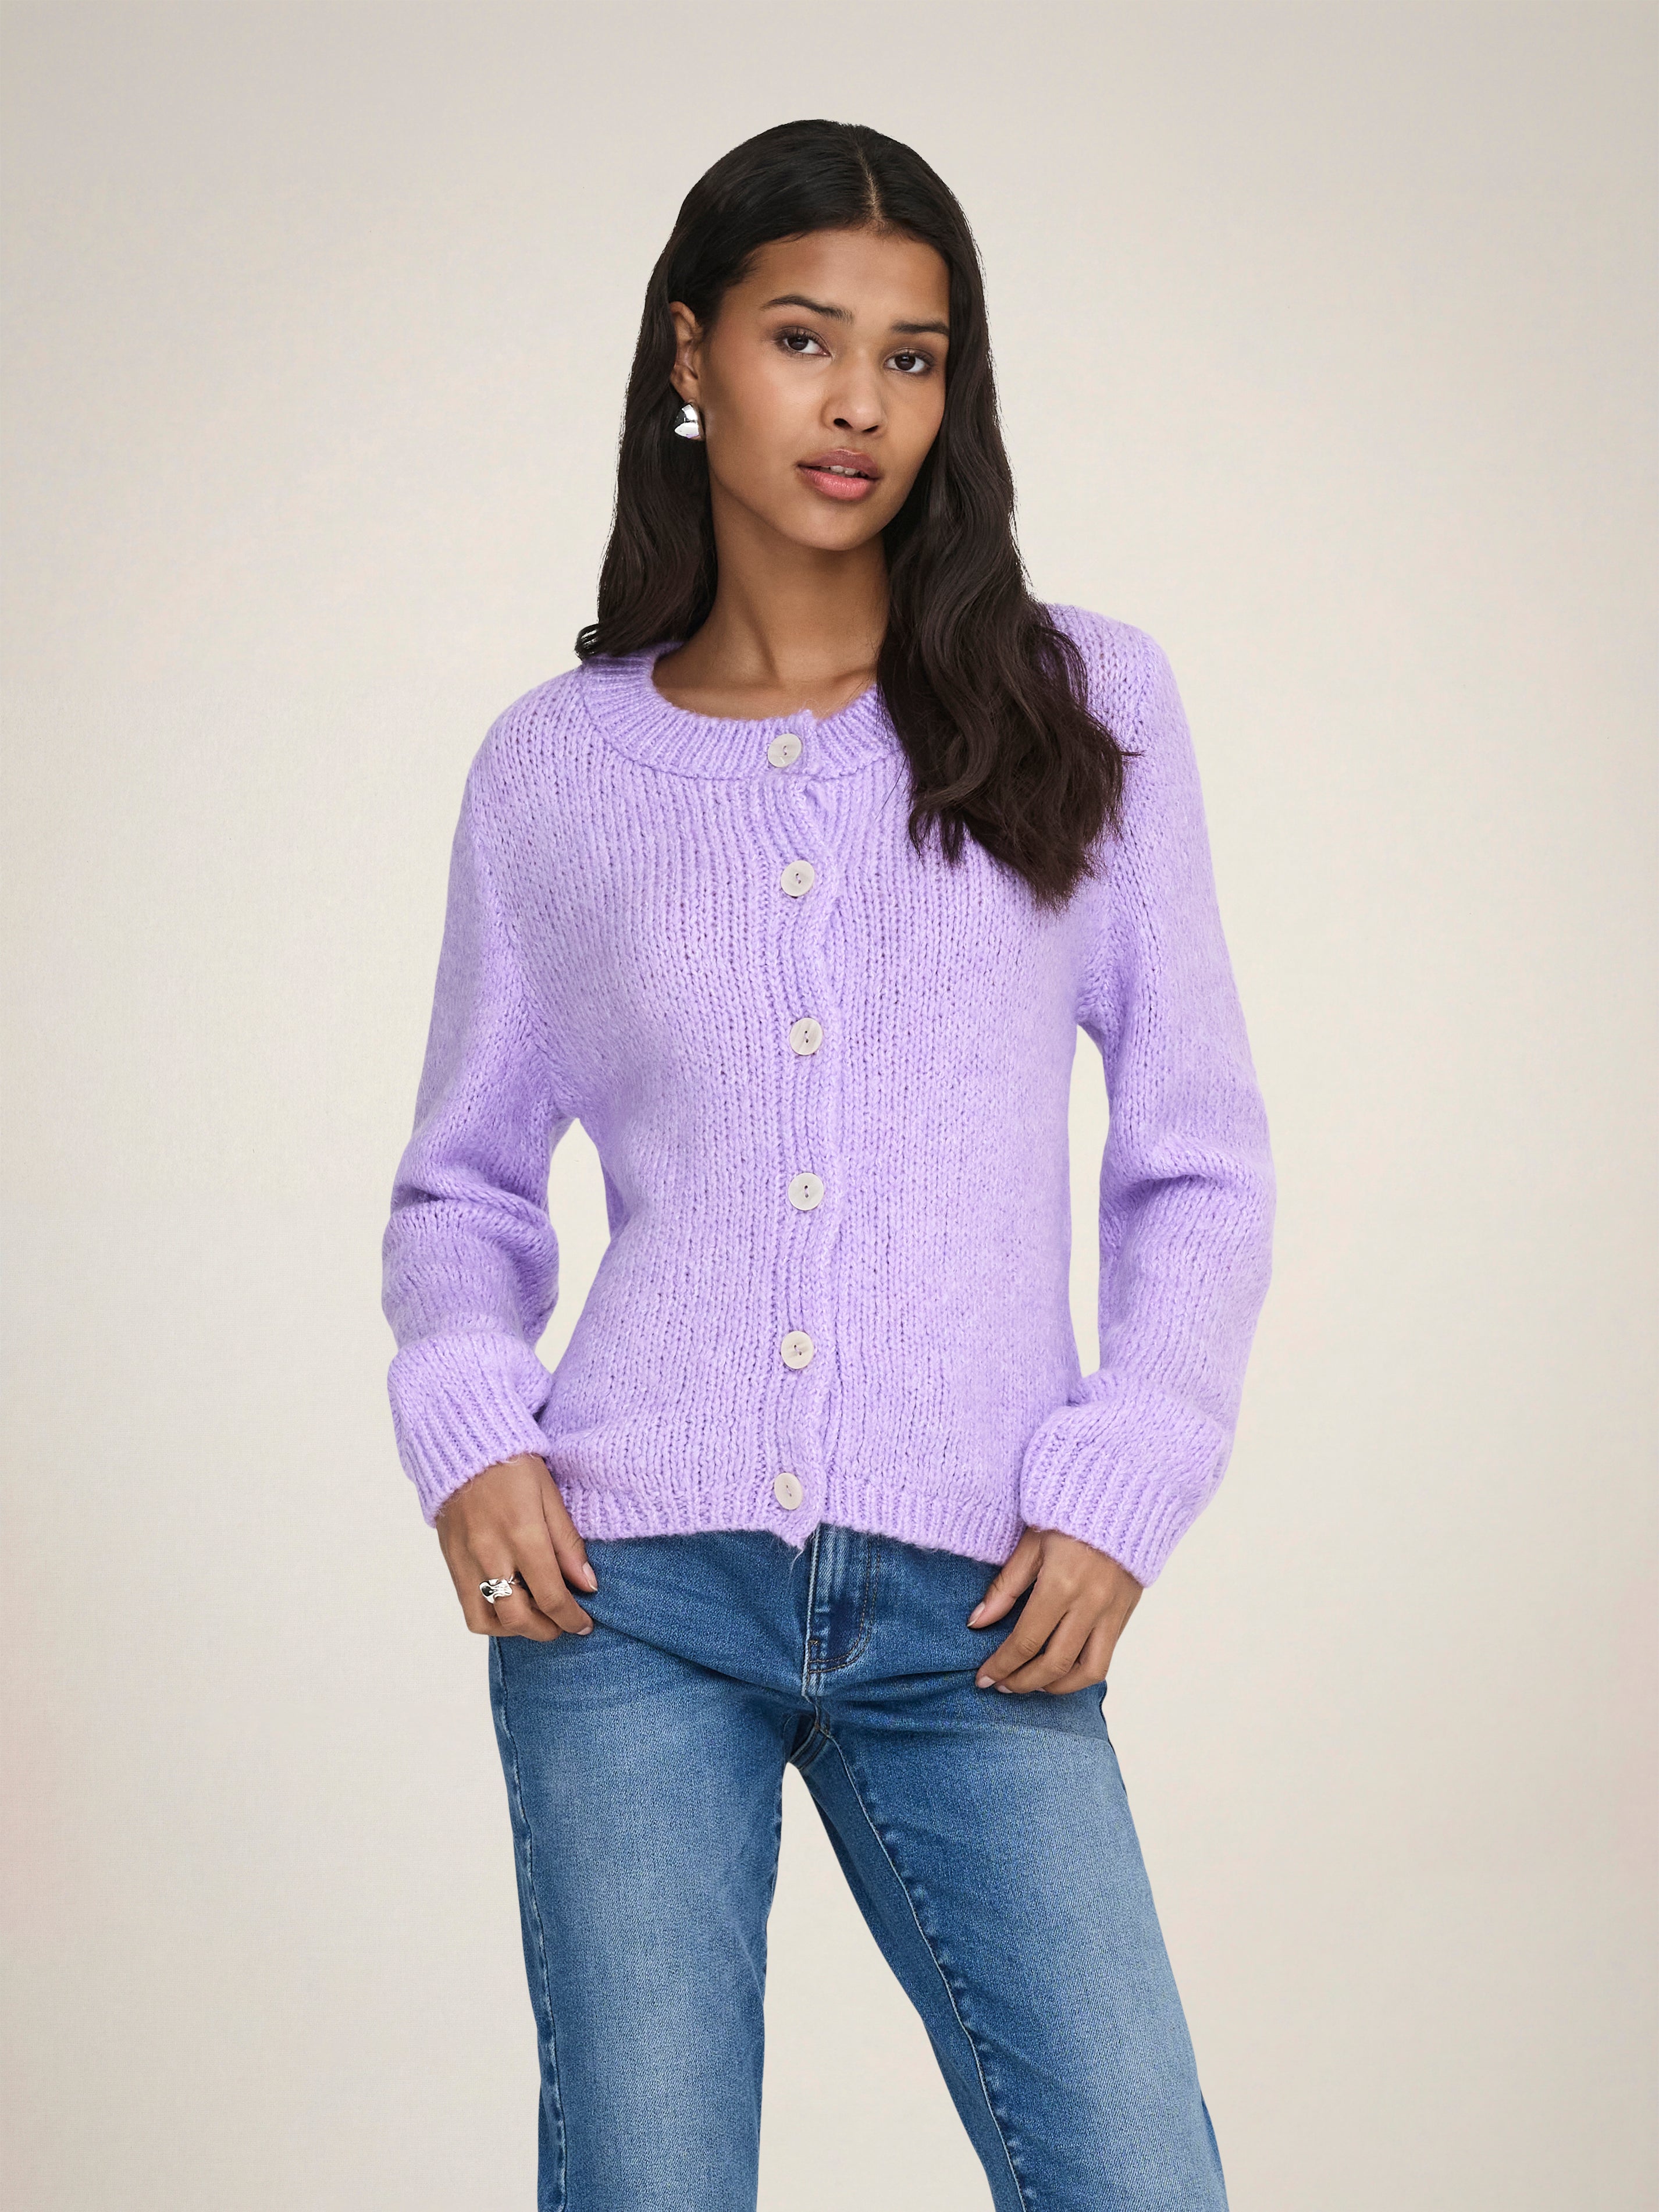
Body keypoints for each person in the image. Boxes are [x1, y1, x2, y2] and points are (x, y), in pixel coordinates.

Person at [380, 117, 1274, 2212]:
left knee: (1138, 2180)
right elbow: (464, 1187)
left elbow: (1196, 1156)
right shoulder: (556, 767)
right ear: (690, 353)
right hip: (628, 1593)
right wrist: (470, 1422)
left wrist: (1129, 1468)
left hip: (977, 1596)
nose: (859, 401)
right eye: (804, 338)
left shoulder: (1078, 702)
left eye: (912, 354)